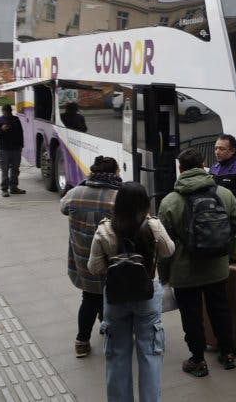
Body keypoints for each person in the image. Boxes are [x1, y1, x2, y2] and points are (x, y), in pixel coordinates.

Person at [157, 148, 236, 377]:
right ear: (204, 164)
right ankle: (227, 354)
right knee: (220, 309)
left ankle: (198, 360)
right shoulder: (224, 194)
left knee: (192, 315)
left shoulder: (169, 201)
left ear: (180, 169)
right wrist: (221, 237)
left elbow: (163, 247)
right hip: (217, 268)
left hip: (184, 272)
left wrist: (164, 276)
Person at [87, 182, 175, 402]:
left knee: (117, 356)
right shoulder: (152, 225)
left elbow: (94, 267)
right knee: (150, 355)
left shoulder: (105, 229)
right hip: (147, 295)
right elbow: (169, 250)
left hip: (116, 297)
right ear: (144, 203)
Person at [60, 156, 121, 358]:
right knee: (107, 295)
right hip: (109, 258)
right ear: (113, 173)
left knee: (89, 297)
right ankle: (103, 330)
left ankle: (82, 342)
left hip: (82, 257)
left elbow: (63, 207)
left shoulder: (76, 193)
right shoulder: (116, 196)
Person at [0, 103, 25, 197]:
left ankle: (14, 187)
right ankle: (4, 189)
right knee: (5, 170)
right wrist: (1, 129)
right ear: (3, 112)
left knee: (15, 169)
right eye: (6, 112)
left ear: (11, 111)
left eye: (9, 112)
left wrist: (21, 145)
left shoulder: (15, 119)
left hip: (16, 149)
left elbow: (20, 133)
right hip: (4, 150)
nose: (7, 114)